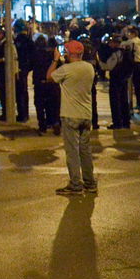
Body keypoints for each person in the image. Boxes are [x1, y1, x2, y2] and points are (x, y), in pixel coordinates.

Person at [49, 40, 97, 197]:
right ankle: (90, 183)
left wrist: (55, 59)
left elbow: (49, 77)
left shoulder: (65, 69)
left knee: (72, 152)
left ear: (68, 53)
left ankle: (76, 184)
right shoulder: (89, 68)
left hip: (70, 114)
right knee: (85, 151)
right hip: (86, 114)